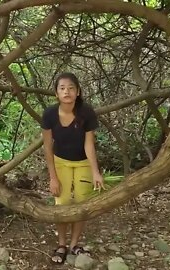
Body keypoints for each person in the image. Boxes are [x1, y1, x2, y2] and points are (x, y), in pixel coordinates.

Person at [41, 72, 105, 264]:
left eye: (71, 88)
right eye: (62, 88)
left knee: (81, 204)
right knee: (62, 204)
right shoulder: (50, 114)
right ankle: (61, 244)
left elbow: (89, 144)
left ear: (77, 92)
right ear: (56, 94)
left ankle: (75, 244)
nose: (66, 92)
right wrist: (52, 177)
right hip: (60, 162)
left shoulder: (86, 112)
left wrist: (95, 172)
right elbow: (47, 147)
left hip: (83, 162)